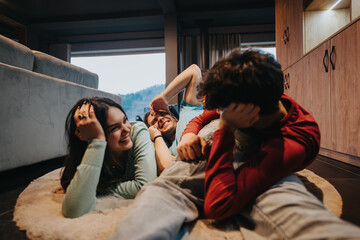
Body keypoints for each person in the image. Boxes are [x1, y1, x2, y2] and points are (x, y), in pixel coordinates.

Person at [109, 50, 360, 239]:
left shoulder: (293, 141)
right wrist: (188, 135)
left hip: (251, 156)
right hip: (201, 149)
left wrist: (226, 128)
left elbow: (218, 204)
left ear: (249, 113)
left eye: (224, 111)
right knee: (163, 192)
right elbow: (204, 116)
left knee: (284, 196)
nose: (219, 113)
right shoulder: (261, 94)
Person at [60, 97, 156, 218]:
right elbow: (73, 208)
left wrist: (100, 188)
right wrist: (97, 142)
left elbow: (145, 186)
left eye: (125, 120)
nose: (126, 129)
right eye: (115, 128)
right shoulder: (93, 147)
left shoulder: (138, 131)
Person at [143, 64, 203, 174]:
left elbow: (194, 70)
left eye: (162, 113)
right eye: (154, 121)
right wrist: (155, 136)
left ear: (174, 116)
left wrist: (164, 97)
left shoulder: (187, 110)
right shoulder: (167, 151)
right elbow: (166, 167)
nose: (160, 119)